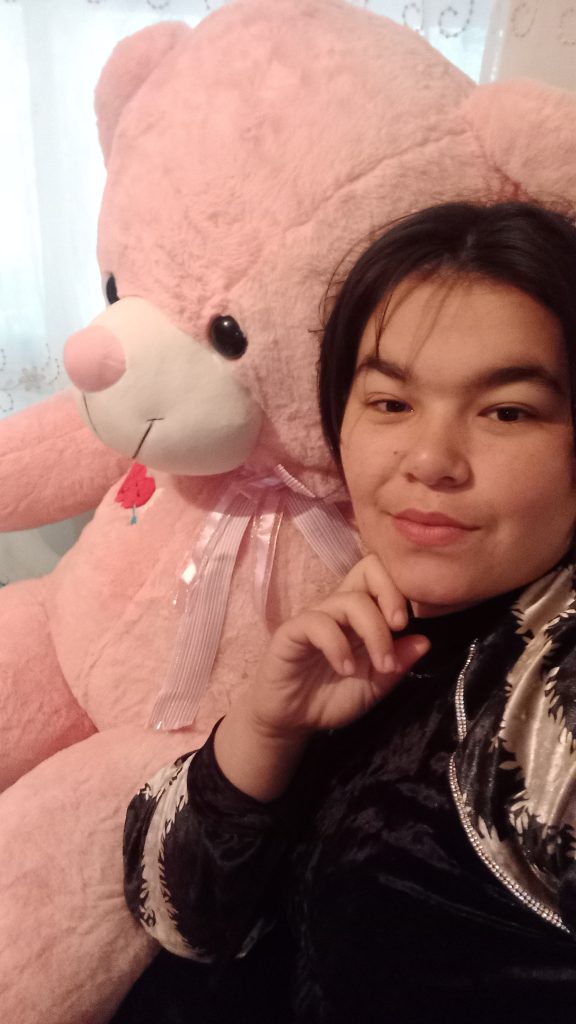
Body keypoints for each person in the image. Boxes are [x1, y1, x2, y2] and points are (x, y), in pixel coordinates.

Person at [117, 201, 576, 1024]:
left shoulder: (554, 671)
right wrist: (266, 725)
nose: (430, 462)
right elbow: (178, 915)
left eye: (507, 411)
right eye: (391, 404)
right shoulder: (371, 610)